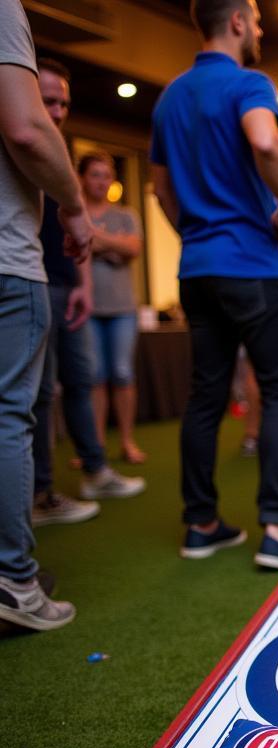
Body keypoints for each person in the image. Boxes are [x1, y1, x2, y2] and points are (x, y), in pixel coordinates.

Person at [150, 0, 278, 566]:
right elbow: (266, 142)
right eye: (258, 19)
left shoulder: (170, 97)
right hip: (251, 265)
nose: (261, 29)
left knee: (205, 397)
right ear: (238, 21)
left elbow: (160, 187)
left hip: (197, 268)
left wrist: (194, 233)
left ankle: (202, 523)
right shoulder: (249, 83)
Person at [0, 0, 91, 630]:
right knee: (9, 415)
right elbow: (25, 128)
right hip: (6, 257)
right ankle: (13, 581)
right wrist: (75, 206)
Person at [31, 59, 144, 528]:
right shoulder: (25, 143)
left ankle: (96, 469)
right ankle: (41, 493)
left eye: (63, 103)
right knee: (39, 394)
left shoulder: (55, 155)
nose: (57, 111)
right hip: (34, 287)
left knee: (85, 379)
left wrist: (85, 286)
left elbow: (93, 242)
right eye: (47, 100)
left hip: (69, 290)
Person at [79, 150, 147, 466]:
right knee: (95, 376)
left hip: (123, 308)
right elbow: (76, 248)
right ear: (82, 178)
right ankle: (96, 447)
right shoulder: (74, 212)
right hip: (87, 307)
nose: (102, 182)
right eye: (95, 174)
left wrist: (95, 237)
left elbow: (132, 248)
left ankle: (127, 442)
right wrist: (112, 243)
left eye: (107, 175)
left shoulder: (126, 215)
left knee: (122, 373)